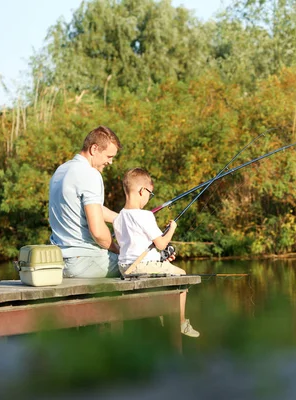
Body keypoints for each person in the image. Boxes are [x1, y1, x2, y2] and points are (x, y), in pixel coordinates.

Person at [114, 167, 200, 337]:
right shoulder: (145, 216)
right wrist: (172, 229)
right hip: (143, 266)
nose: (148, 199)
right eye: (150, 194)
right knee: (181, 277)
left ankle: (162, 314)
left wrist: (161, 257)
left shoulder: (118, 218)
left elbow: (135, 246)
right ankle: (180, 322)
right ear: (142, 190)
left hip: (125, 267)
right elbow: (161, 244)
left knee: (167, 271)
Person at [48, 125, 122, 278]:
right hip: (85, 261)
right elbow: (98, 232)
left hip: (59, 262)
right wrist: (117, 249)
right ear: (94, 149)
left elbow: (94, 209)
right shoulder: (90, 174)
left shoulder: (61, 170)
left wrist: (123, 219)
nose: (111, 162)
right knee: (143, 264)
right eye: (109, 156)